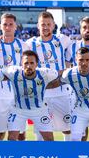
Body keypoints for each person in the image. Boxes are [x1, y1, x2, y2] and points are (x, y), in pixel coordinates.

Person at [26, 11, 74, 141]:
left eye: (48, 24)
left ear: (54, 25)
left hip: (61, 91)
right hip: (41, 93)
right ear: (38, 26)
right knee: (41, 130)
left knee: (67, 127)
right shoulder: (30, 43)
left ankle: (68, 156)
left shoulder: (63, 39)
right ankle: (42, 157)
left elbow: (80, 46)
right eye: (43, 24)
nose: (46, 27)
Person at [0, 13, 29, 140]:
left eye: (11, 24)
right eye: (5, 24)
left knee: (20, 132)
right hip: (0, 94)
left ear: (16, 26)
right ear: (0, 26)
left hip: (19, 93)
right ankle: (0, 157)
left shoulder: (23, 45)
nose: (8, 27)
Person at [2, 50, 57, 141]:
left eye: (32, 63)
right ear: (21, 64)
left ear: (36, 64)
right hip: (18, 110)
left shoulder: (46, 74)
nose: (29, 66)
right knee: (11, 138)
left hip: (40, 110)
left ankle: (50, 155)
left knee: (49, 139)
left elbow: (59, 76)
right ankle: (13, 155)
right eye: (26, 63)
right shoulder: (13, 72)